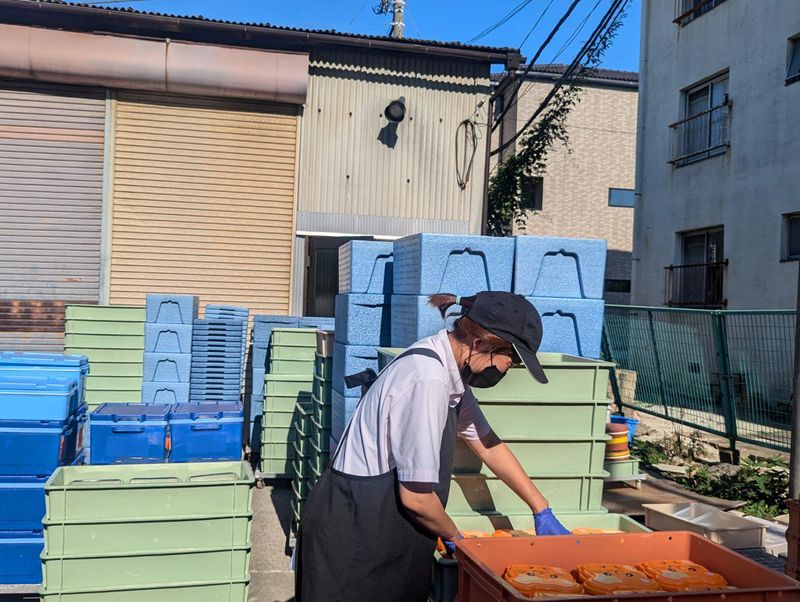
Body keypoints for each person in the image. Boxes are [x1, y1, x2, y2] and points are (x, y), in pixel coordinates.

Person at [295, 291, 570, 602]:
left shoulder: (448, 371)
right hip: (358, 532)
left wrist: (540, 507)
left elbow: (488, 444)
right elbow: (417, 499)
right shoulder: (428, 380)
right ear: (480, 344)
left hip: (382, 524)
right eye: (512, 359)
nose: (507, 369)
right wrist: (459, 540)